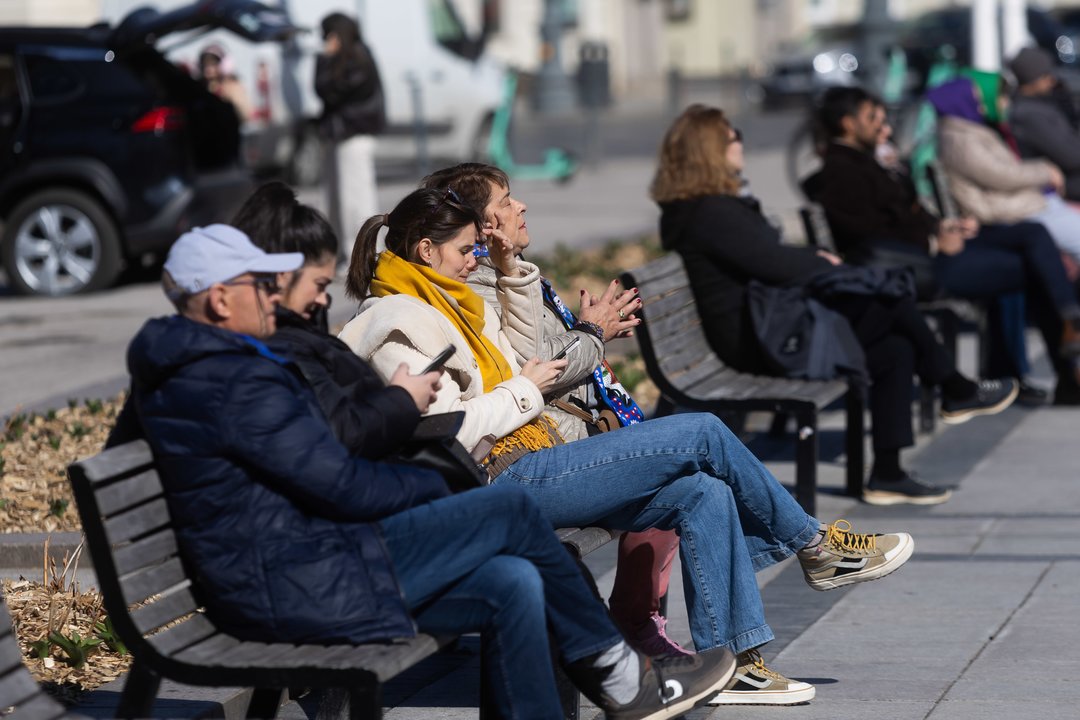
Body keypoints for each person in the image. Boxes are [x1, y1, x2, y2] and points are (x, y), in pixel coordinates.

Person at [107, 223, 736, 719]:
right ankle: (624, 683)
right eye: (263, 288)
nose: (275, 300)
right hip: (296, 584)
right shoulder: (232, 377)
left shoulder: (180, 362)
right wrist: (443, 484)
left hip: (294, 564)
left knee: (515, 580)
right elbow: (339, 484)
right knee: (508, 509)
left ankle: (622, 682)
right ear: (220, 299)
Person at [340, 186, 918, 707]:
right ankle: (814, 545)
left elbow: (517, 358)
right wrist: (523, 392)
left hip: (531, 457)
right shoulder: (396, 323)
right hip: (494, 481)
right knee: (702, 430)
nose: (475, 259)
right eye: (466, 249)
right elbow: (446, 431)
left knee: (701, 491)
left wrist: (514, 288)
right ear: (424, 251)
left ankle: (738, 661)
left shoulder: (453, 301)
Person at [653, 104, 1018, 507]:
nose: (739, 141)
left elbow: (766, 259)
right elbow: (773, 264)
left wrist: (811, 259)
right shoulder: (710, 213)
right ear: (709, 150)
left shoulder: (712, 208)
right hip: (755, 340)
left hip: (765, 324)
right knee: (887, 300)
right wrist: (820, 259)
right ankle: (954, 387)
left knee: (892, 345)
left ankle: (889, 473)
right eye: (731, 135)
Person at [418, 163, 686, 660]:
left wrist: (589, 331)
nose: (522, 206)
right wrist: (593, 332)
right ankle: (628, 634)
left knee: (693, 473)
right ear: (484, 226)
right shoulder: (476, 285)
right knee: (690, 451)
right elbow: (545, 366)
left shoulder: (510, 272)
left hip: (563, 433)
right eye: (507, 201)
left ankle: (650, 628)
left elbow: (549, 355)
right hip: (537, 449)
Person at [816, 85, 1080, 406]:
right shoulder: (842, 171)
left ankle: (1069, 324)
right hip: (916, 267)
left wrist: (945, 226)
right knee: (1030, 267)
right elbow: (867, 234)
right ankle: (1060, 370)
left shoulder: (866, 161)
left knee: (1033, 234)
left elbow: (907, 214)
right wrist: (932, 240)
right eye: (873, 118)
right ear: (847, 123)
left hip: (930, 251)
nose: (882, 126)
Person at [230, 181, 436, 457]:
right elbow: (338, 435)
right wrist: (402, 399)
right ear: (282, 275)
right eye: (319, 284)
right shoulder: (279, 343)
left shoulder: (299, 325)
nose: (323, 299)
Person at [315, 12, 385, 264]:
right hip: (338, 134)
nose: (324, 41)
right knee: (334, 201)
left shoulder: (357, 57)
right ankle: (343, 253)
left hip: (354, 134)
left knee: (355, 200)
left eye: (328, 35)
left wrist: (325, 59)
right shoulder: (346, 57)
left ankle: (362, 255)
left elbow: (331, 91)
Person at [1009, 47, 1080, 202]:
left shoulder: (1041, 103)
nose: (1052, 80)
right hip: (1061, 184)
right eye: (1046, 75)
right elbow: (1072, 156)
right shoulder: (1029, 115)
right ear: (1033, 79)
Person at [198, 44, 253, 122]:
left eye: (213, 64)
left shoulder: (232, 86)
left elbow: (244, 114)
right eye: (205, 64)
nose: (208, 68)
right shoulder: (201, 87)